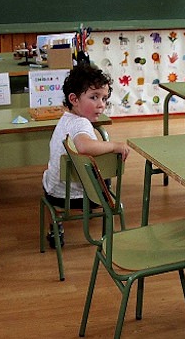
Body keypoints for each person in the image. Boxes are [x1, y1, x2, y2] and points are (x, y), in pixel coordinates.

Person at [42, 64, 131, 248]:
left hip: (54, 193)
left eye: (104, 98)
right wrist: (114, 145)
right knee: (104, 180)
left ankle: (55, 226)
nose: (101, 104)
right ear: (74, 99)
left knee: (50, 172)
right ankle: (108, 238)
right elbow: (84, 146)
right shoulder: (81, 124)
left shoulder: (64, 119)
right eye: (94, 97)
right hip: (82, 197)